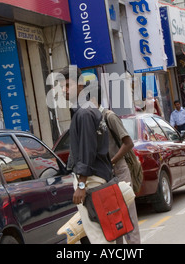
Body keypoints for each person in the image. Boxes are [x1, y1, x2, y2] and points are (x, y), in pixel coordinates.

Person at [60, 66, 116, 244]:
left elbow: (87, 151)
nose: (63, 90)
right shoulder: (88, 109)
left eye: (67, 85)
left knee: (98, 235)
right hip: (98, 177)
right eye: (61, 86)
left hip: (91, 180)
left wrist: (82, 185)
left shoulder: (84, 113)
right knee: (105, 230)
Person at [102, 106, 141, 244]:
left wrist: (111, 162)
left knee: (128, 214)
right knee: (114, 218)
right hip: (105, 174)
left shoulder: (109, 117)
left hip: (119, 169)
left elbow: (128, 143)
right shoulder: (92, 119)